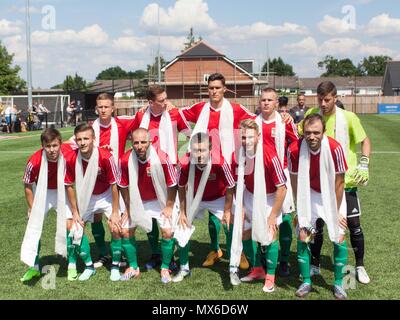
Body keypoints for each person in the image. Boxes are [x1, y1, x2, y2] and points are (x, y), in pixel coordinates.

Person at [180, 73, 254, 268]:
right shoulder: (200, 109)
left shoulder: (236, 110)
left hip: (229, 168)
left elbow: (258, 119)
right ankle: (215, 249)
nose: (214, 91)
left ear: (224, 89)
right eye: (210, 88)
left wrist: (283, 115)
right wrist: (160, 106)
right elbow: (176, 115)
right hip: (204, 169)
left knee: (231, 215)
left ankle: (239, 251)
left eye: (217, 88)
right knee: (213, 219)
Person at [302, 81, 372, 284]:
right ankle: (314, 264)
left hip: (345, 182)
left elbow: (365, 140)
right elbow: (300, 132)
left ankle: (359, 266)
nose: (323, 104)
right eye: (320, 99)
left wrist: (364, 164)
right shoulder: (312, 114)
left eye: (327, 100)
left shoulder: (348, 117)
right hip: (319, 183)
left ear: (335, 97)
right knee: (318, 225)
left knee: (353, 225)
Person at [70, 93, 136, 269]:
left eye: (107, 106)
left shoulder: (122, 124)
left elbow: (142, 118)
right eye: (100, 106)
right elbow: (73, 144)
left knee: (120, 221)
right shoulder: (90, 129)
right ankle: (103, 253)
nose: (103, 109)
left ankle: (122, 252)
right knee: (96, 218)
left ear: (113, 108)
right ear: (96, 109)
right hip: (94, 182)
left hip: (117, 180)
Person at [288, 113, 349, 299]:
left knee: (338, 237)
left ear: (324, 132)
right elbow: (294, 180)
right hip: (309, 194)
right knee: (303, 235)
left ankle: (339, 284)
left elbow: (340, 182)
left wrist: (335, 211)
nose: (312, 136)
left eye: (316, 132)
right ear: (302, 132)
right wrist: (300, 209)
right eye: (308, 132)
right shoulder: (294, 149)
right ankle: (306, 281)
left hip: (331, 195)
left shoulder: (334, 147)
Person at [131, 86, 190, 270]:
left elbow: (189, 135)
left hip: (170, 169)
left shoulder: (173, 113)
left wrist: (182, 157)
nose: (165, 102)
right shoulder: (141, 116)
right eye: (161, 100)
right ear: (150, 102)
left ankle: (170, 257)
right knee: (152, 213)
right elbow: (134, 138)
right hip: (147, 170)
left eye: (166, 98)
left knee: (168, 213)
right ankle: (156, 253)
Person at [230, 119, 287, 291]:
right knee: (245, 233)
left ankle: (270, 275)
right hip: (249, 196)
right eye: (244, 137)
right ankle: (257, 269)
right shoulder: (237, 154)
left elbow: (282, 188)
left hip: (270, 197)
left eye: (250, 137)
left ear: (259, 137)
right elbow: (234, 184)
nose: (247, 141)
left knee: (270, 235)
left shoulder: (270, 155)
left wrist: (272, 215)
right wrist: (238, 206)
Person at [172, 132, 235, 283]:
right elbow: (180, 187)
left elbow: (230, 187)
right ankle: (184, 267)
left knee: (230, 225)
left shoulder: (220, 161)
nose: (199, 154)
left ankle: (233, 267)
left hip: (218, 197)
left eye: (203, 150)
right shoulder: (185, 163)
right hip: (194, 198)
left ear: (211, 149)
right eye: (195, 150)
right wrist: (182, 211)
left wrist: (227, 211)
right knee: (182, 227)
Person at [119, 128, 178, 283]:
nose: (140, 146)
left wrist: (169, 206)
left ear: (150, 142)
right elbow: (123, 186)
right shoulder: (125, 160)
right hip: (137, 201)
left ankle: (165, 267)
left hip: (160, 201)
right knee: (125, 230)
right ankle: (133, 267)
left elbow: (173, 184)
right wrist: (128, 208)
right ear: (131, 143)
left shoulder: (162, 157)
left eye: (143, 142)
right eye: (136, 142)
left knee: (167, 231)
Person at [64, 124, 120, 281]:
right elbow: (68, 185)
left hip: (107, 195)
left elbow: (115, 185)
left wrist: (115, 212)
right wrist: (75, 212)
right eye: (79, 139)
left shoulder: (105, 157)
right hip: (86, 197)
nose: (82, 142)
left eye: (86, 138)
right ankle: (89, 266)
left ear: (94, 139)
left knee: (116, 228)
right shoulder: (71, 158)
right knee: (75, 230)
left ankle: (115, 265)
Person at [255, 88, 299, 277]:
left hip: (282, 173)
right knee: (260, 215)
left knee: (286, 217)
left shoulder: (284, 122)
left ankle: (284, 260)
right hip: (259, 176)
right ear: (259, 102)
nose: (266, 103)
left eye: (269, 100)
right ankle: (263, 256)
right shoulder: (253, 123)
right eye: (263, 100)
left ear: (276, 103)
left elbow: (296, 144)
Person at [20, 128, 72, 282]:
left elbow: (83, 143)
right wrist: (32, 208)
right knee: (34, 227)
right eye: (47, 146)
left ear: (60, 143)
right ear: (42, 145)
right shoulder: (34, 160)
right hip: (42, 192)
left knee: (71, 226)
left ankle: (72, 263)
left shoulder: (68, 151)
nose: (51, 149)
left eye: (55, 145)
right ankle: (34, 267)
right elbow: (28, 186)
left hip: (62, 191)